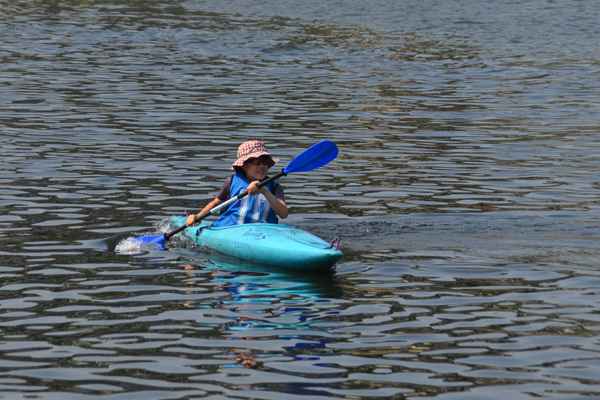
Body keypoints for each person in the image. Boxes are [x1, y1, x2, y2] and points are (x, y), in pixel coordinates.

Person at [185, 141, 288, 227]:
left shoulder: (275, 187)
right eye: (256, 162)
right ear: (243, 166)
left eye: (265, 161)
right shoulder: (231, 181)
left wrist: (265, 191)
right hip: (230, 229)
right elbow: (216, 203)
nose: (262, 166)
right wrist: (197, 217)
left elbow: (283, 214)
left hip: (265, 233)